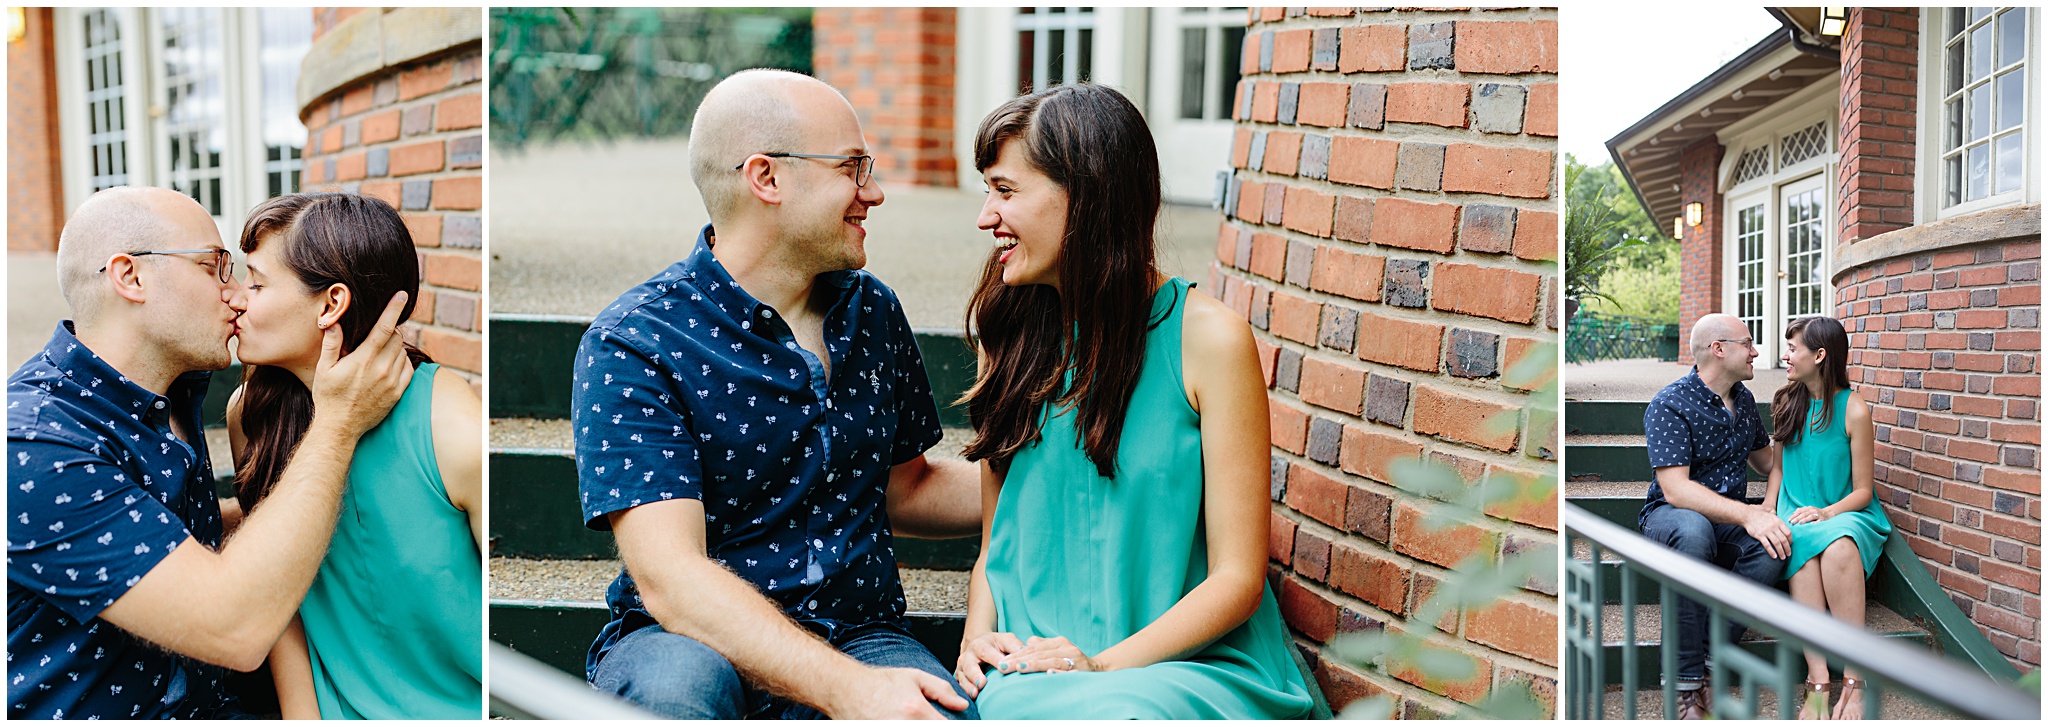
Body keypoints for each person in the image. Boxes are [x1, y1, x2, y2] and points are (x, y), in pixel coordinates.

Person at [572, 69, 983, 720]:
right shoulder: (636, 341)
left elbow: (906, 487)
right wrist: (848, 690)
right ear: (766, 178)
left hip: (861, 633)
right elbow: (672, 581)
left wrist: (1047, 474)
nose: (873, 192)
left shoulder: (873, 311)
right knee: (674, 697)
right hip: (686, 641)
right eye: (853, 167)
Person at [946, 84, 1315, 720]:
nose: (986, 216)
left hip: (1188, 670)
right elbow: (993, 546)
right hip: (1031, 674)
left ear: (1086, 197)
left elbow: (1236, 579)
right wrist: (975, 639)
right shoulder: (1006, 340)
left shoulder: (1209, 341)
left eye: (1006, 191)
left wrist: (1097, 667)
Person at [6, 186, 414, 719]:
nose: (236, 294)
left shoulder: (170, 389)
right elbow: (233, 628)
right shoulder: (36, 444)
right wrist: (337, 425)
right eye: (214, 267)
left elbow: (166, 531)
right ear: (130, 277)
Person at [224, 192, 484, 719]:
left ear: (330, 304)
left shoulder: (451, 427)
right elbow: (277, 594)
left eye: (255, 282)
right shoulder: (250, 415)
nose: (235, 298)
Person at [1639, 312, 1788, 719]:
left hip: (1724, 522)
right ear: (1719, 350)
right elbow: (1676, 489)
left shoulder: (1744, 401)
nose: (1756, 351)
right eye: (1748, 343)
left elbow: (1766, 462)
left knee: (1774, 544)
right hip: (1671, 516)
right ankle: (1685, 687)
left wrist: (1804, 434)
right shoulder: (1669, 403)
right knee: (1693, 531)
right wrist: (1747, 514)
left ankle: (1708, 659)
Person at [1763, 316, 1889, 720]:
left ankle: (1855, 678)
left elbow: (1864, 490)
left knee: (1837, 546)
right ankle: (1817, 680)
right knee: (1798, 543)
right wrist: (1769, 507)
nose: (1786, 356)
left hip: (1847, 511)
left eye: (1793, 349)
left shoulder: (1854, 409)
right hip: (1796, 509)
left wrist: (1826, 512)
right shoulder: (1786, 400)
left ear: (1819, 355)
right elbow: (1779, 469)